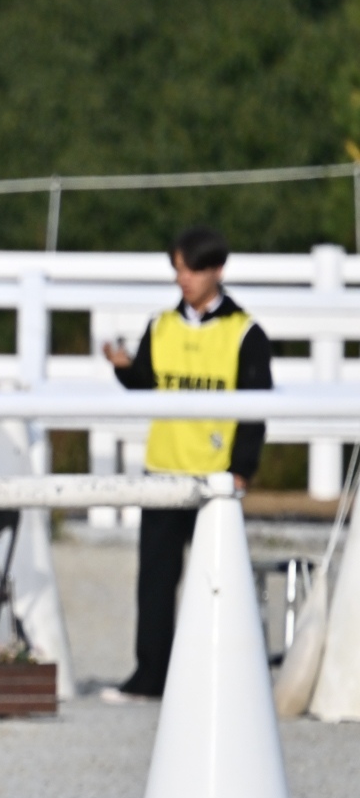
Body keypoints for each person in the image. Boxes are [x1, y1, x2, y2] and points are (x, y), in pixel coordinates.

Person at [99, 225, 271, 699]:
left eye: (192, 269)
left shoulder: (246, 332)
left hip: (217, 476)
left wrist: (242, 468)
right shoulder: (160, 324)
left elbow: (256, 409)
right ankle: (150, 674)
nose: (184, 279)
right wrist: (123, 368)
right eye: (178, 269)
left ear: (217, 270)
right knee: (155, 580)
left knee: (221, 580)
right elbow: (146, 382)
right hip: (163, 469)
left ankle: (230, 679)